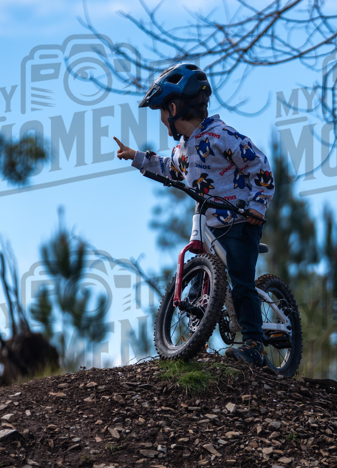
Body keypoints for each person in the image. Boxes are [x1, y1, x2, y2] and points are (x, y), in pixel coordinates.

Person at [113, 63, 275, 368]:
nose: (161, 119)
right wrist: (136, 157)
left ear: (173, 109)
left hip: (240, 221)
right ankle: (194, 342)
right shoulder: (183, 151)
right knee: (198, 281)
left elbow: (260, 166)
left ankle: (255, 345)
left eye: (162, 111)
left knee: (241, 283)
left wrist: (258, 204)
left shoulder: (221, 135)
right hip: (210, 225)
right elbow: (168, 168)